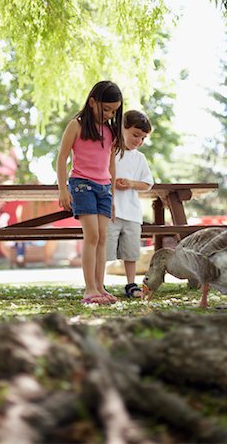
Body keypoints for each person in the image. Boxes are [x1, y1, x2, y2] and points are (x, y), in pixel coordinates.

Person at [56, 81, 125, 304]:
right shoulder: (76, 126)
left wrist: (112, 196)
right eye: (106, 109)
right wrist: (63, 189)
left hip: (104, 188)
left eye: (114, 111)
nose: (109, 115)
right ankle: (89, 289)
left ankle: (100, 287)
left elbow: (111, 166)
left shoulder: (110, 131)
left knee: (104, 237)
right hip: (82, 184)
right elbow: (62, 158)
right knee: (92, 235)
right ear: (92, 102)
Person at [106, 110, 153, 298]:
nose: (138, 141)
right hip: (109, 211)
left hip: (132, 213)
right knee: (105, 249)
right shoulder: (109, 151)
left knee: (131, 252)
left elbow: (147, 183)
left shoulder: (139, 158)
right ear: (121, 128)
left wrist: (131, 183)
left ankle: (131, 284)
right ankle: (99, 284)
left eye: (143, 138)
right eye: (135, 135)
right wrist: (113, 181)